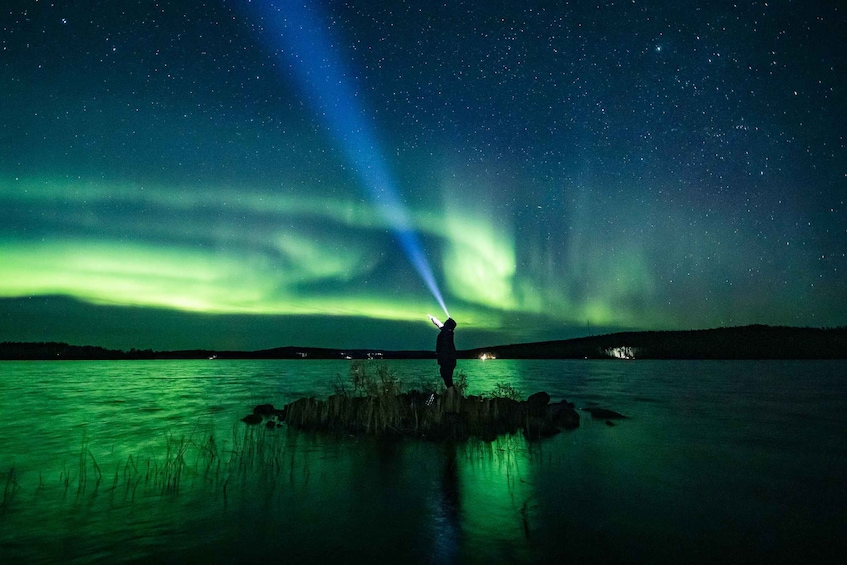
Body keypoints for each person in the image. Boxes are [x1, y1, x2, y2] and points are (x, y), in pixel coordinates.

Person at [436, 317, 457, 390]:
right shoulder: (448, 332)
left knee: (448, 380)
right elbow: (440, 326)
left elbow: (441, 327)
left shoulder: (447, 333)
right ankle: (452, 395)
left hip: (447, 360)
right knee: (446, 378)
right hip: (448, 360)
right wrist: (434, 320)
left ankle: (451, 397)